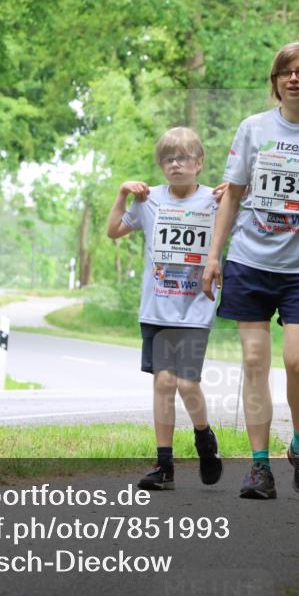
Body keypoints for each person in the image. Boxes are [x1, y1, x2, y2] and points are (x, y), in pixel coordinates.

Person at [202, 42, 299, 499]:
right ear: (274, 82)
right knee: (254, 362)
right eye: (285, 72)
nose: (294, 79)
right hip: (250, 260)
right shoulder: (253, 129)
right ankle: (258, 467)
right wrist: (214, 255)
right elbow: (232, 193)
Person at [107, 126, 224, 491]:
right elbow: (113, 230)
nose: (176, 165)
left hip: (195, 308)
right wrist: (123, 192)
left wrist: (241, 191)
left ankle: (204, 437)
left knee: (187, 384)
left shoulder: (215, 201)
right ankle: (164, 465)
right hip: (156, 308)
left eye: (184, 158)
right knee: (163, 383)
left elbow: (250, 219)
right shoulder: (148, 201)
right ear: (161, 165)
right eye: (168, 159)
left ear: (199, 163)